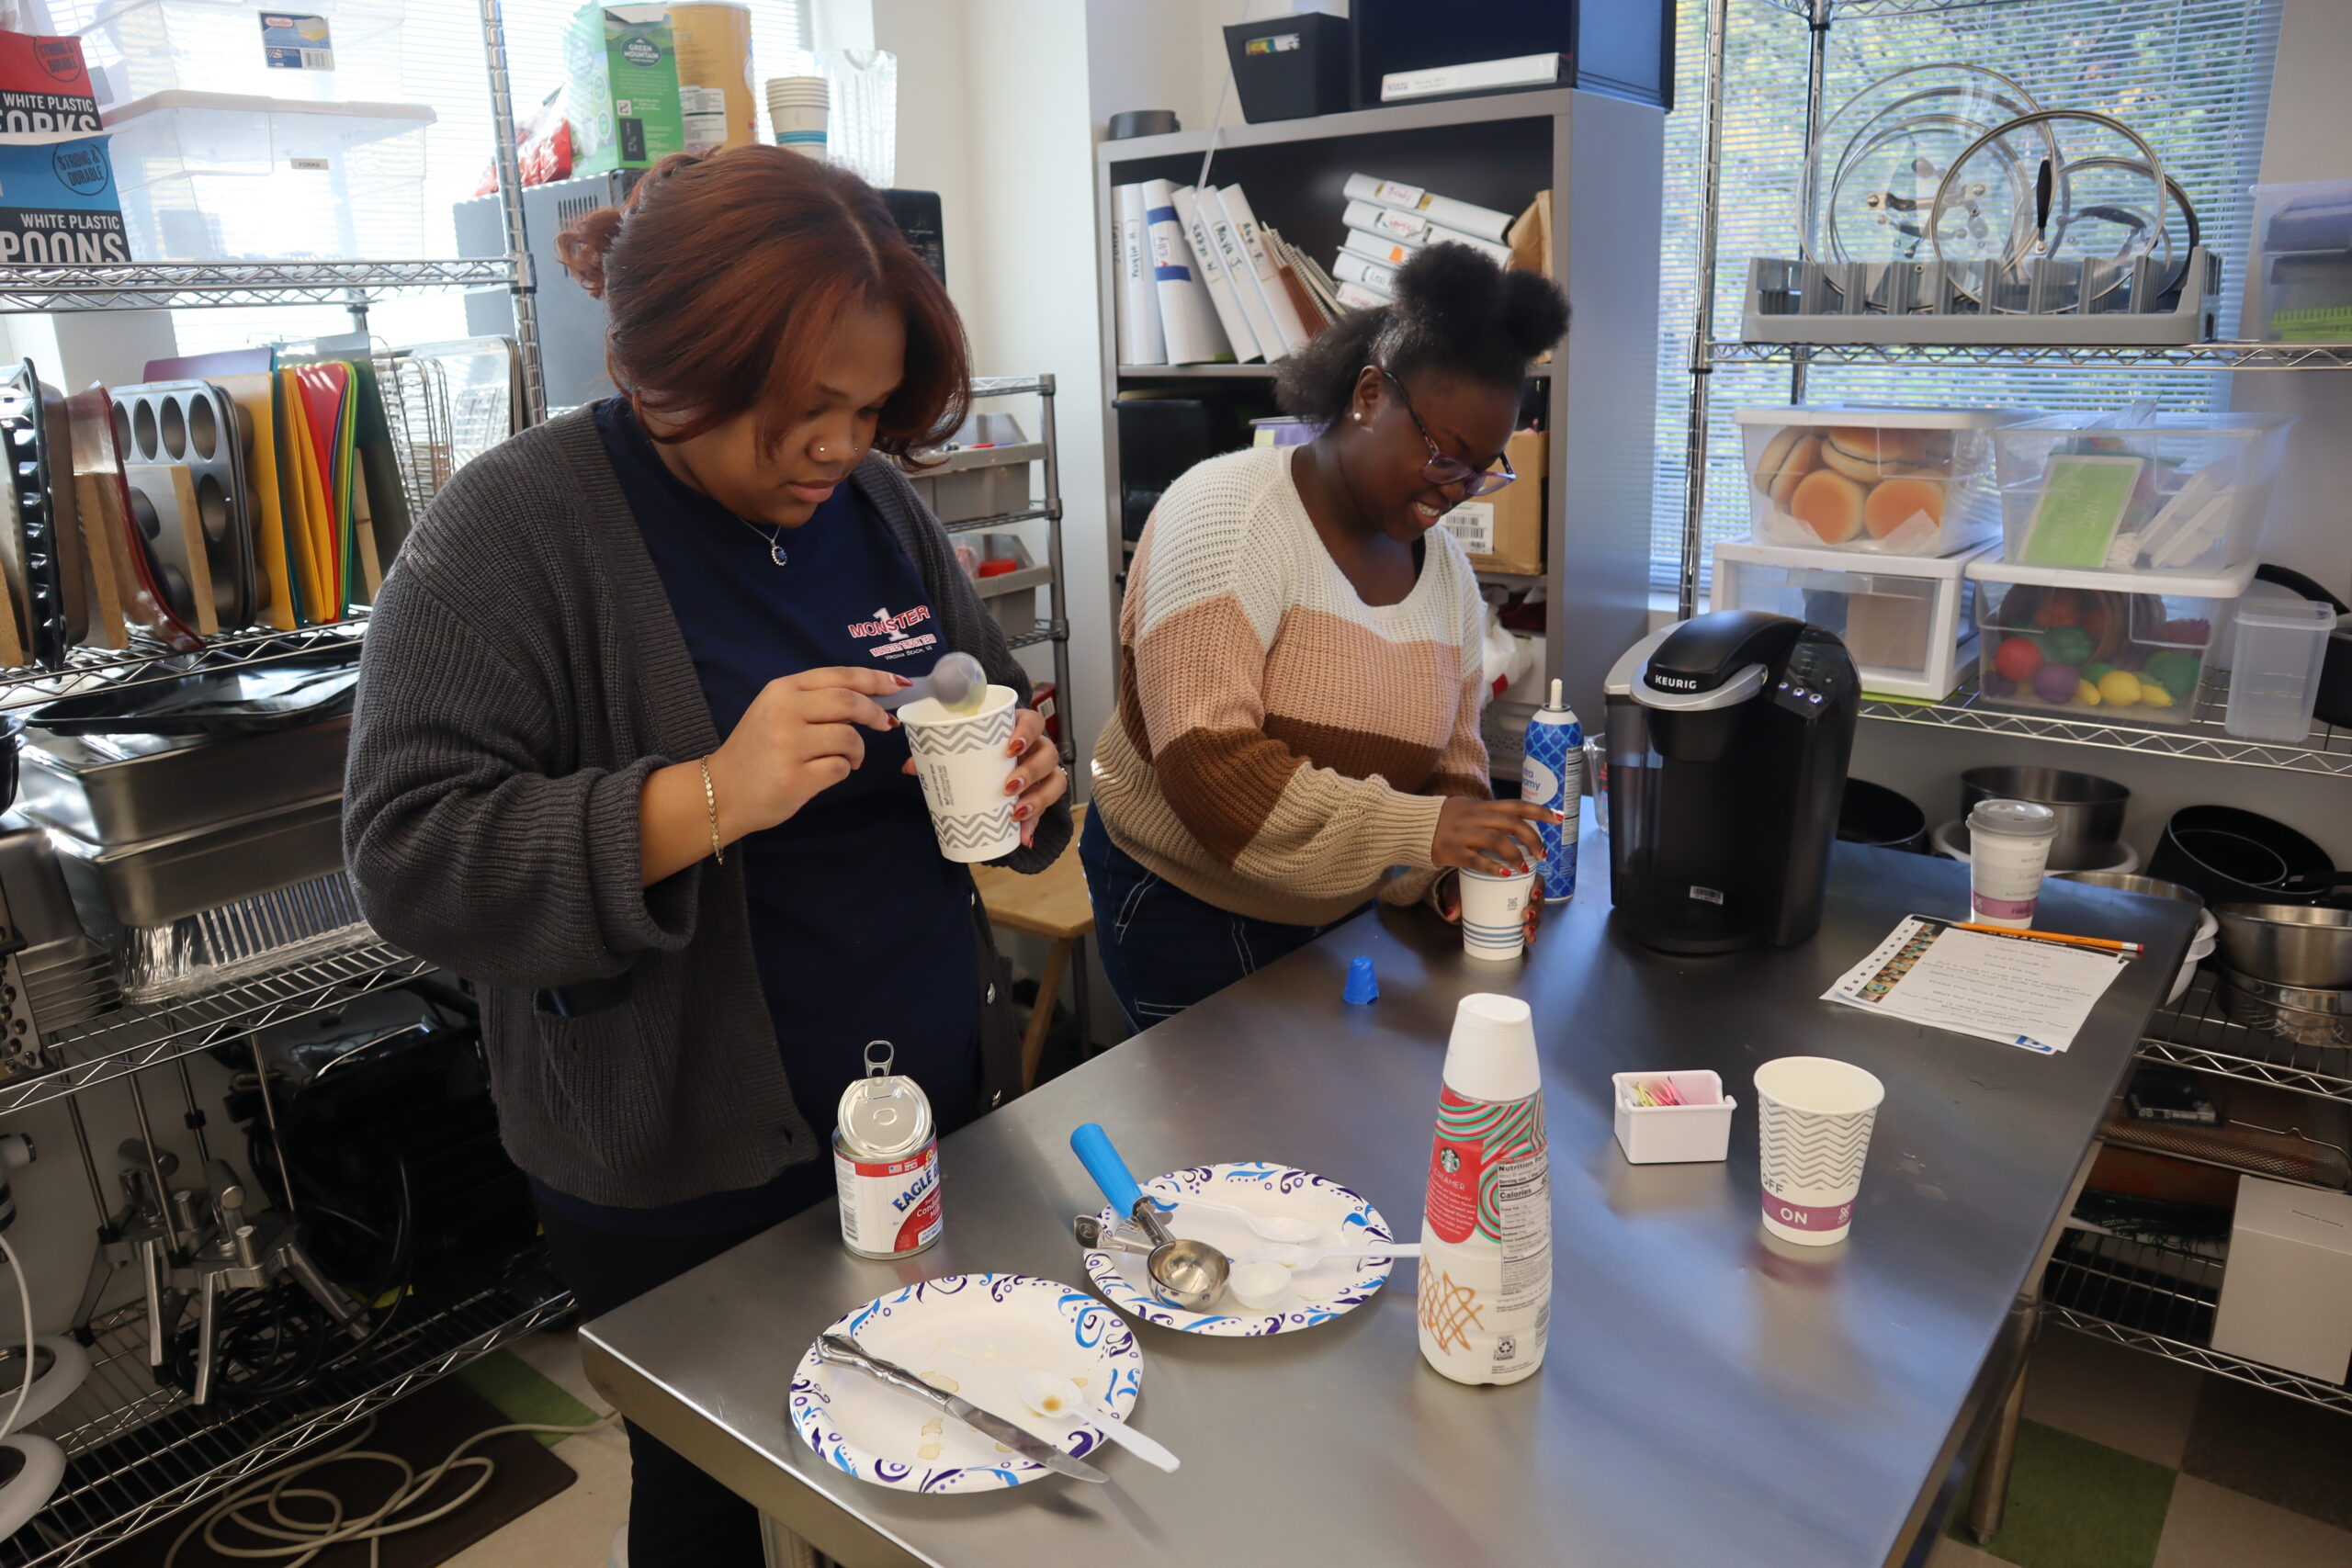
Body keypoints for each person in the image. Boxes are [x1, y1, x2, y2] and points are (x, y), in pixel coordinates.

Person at [342, 146, 1070, 1568]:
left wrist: (1023, 773)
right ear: (649, 363)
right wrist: (703, 796)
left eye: (865, 411)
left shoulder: (875, 513)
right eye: (796, 411)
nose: (834, 449)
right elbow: (407, 856)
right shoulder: (515, 528)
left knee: (928, 1452)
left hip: (925, 1100)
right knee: (719, 1494)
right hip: (679, 1153)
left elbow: (976, 697)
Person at [1082, 243, 1568, 1028]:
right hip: (1190, 900)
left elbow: (1453, 761)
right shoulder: (1225, 518)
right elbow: (1213, 775)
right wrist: (1427, 832)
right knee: (1236, 1135)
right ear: (1370, 395)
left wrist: (1454, 874)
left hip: (1336, 897)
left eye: (1482, 470)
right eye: (1444, 454)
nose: (1456, 491)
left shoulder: (1443, 569)